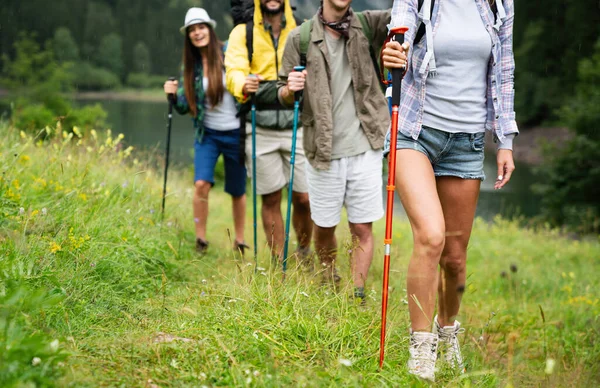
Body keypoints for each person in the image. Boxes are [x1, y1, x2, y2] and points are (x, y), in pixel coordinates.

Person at [382, 0, 518, 381]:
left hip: (468, 142)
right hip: (415, 132)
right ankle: (421, 347)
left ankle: (448, 333)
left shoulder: (499, 3)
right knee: (431, 237)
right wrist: (393, 52)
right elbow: (400, 35)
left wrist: (504, 140)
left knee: (455, 259)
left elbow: (504, 73)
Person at [278, 0, 390, 299]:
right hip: (322, 150)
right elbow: (283, 95)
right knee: (324, 227)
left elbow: (411, 15)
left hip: (366, 144)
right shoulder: (299, 38)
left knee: (362, 228)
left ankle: (357, 293)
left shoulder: (370, 25)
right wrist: (290, 89)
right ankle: (328, 279)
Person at [225, 0, 313, 265]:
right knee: (271, 196)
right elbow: (233, 70)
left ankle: (304, 251)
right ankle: (279, 259)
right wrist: (243, 83)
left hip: (297, 124)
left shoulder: (301, 29)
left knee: (304, 197)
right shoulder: (243, 33)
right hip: (259, 126)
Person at [164, 8, 248, 255]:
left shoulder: (228, 53)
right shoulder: (189, 66)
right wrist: (172, 94)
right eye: (192, 30)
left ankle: (240, 241)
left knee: (237, 189)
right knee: (201, 184)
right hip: (207, 134)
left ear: (209, 29)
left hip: (236, 132)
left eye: (200, 27)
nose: (197, 33)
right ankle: (201, 240)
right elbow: (183, 106)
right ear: (188, 36)